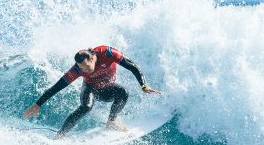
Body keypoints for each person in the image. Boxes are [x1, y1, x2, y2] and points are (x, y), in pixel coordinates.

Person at [23, 45, 161, 138]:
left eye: (86, 67)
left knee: (123, 92)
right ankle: (60, 135)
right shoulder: (77, 69)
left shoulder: (108, 53)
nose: (84, 70)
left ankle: (111, 122)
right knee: (86, 107)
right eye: (81, 68)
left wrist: (144, 85)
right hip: (91, 90)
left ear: (92, 58)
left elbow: (132, 66)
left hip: (108, 89)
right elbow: (57, 87)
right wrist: (38, 104)